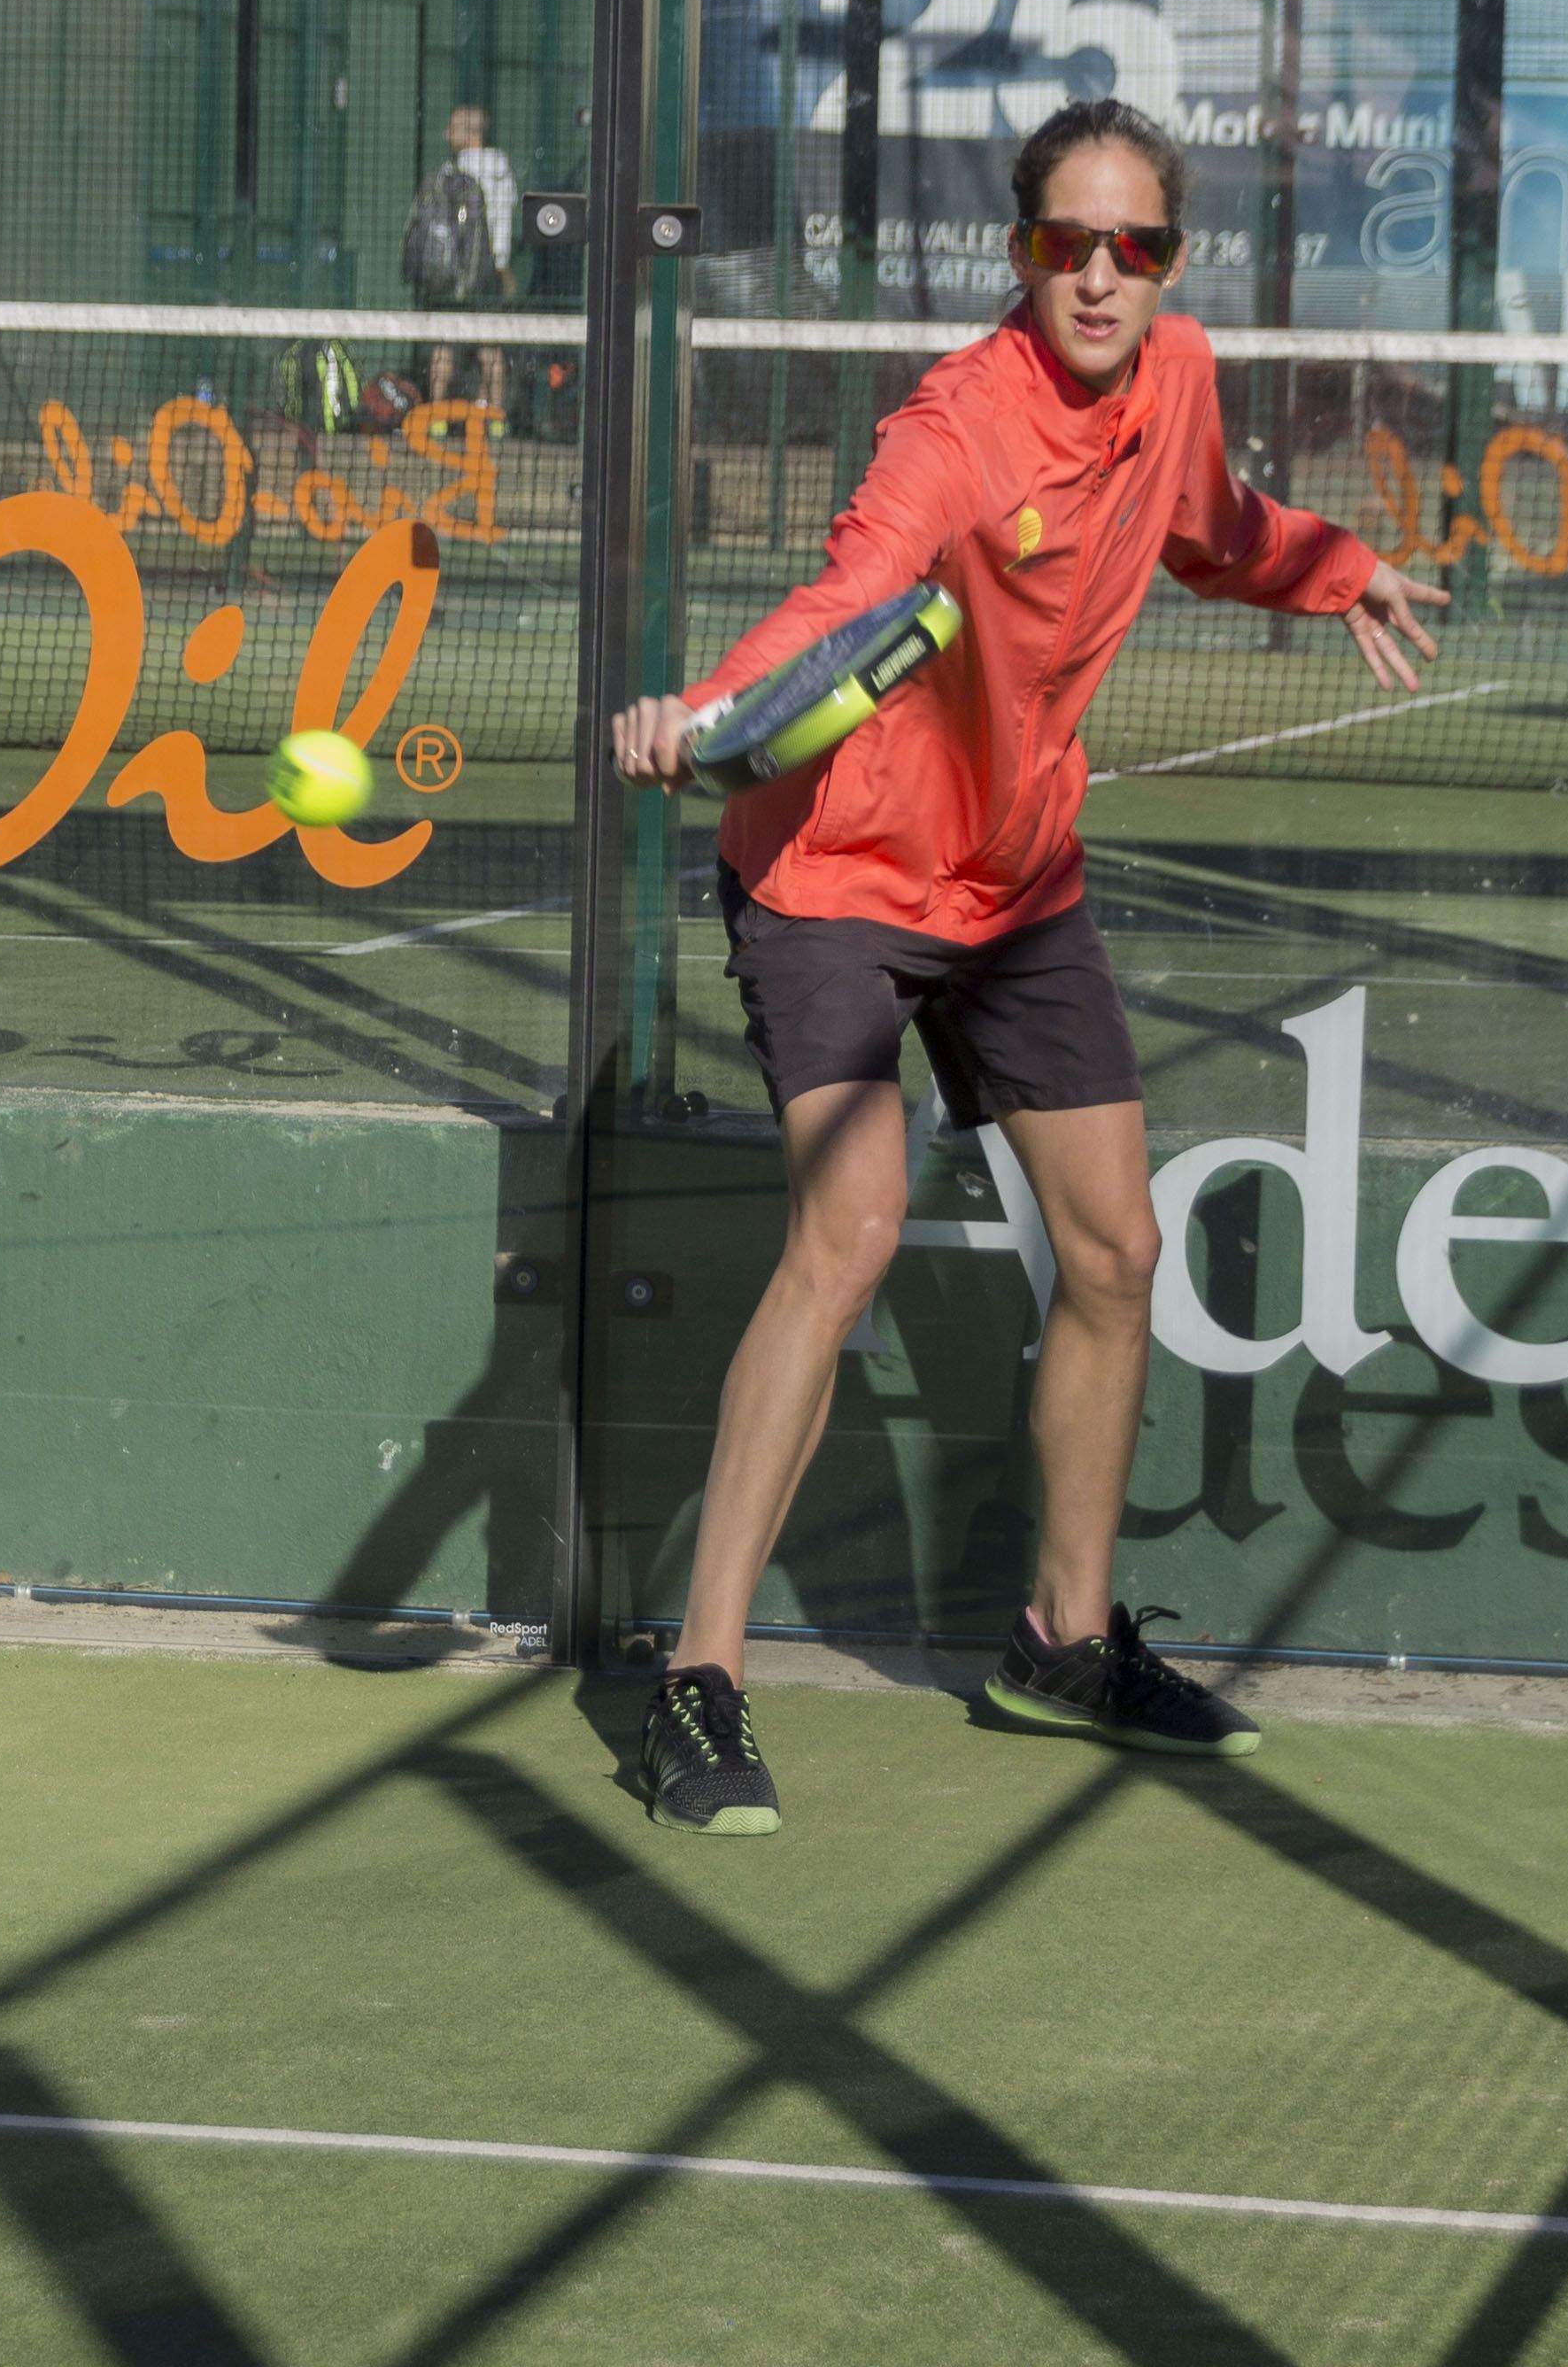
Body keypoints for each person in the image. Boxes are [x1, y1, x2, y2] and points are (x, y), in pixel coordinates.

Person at [606, 99, 1449, 1836]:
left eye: (1135, 245)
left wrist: (1340, 566)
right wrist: (704, 710)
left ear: (1171, 264)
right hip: (837, 873)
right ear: (1020, 253)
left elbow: (1213, 523)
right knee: (847, 1234)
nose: (1099, 275)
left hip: (1016, 879)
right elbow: (846, 594)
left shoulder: (1179, 374)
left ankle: (1060, 1646)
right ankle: (699, 1674)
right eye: (1068, 243)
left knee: (1116, 1248)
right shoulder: (953, 431)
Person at [415, 104, 517, 419]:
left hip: (455, 275)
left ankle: (436, 418)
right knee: (490, 346)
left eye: (453, 129)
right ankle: (494, 419)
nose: (446, 135)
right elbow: (504, 223)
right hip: (489, 273)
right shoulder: (502, 171)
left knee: (444, 345)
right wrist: (501, 265)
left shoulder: (452, 175)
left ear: (472, 133)